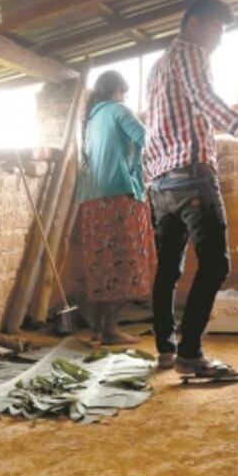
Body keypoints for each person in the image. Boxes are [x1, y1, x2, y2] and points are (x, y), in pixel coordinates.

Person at [144, 0, 238, 378]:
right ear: (193, 25)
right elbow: (204, 97)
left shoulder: (158, 66)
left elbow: (154, 123)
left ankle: (166, 349)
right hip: (191, 175)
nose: (218, 38)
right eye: (215, 29)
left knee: (168, 269)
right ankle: (190, 353)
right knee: (216, 264)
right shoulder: (190, 53)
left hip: (161, 183)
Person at [76, 71, 157, 345]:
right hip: (118, 198)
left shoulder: (91, 118)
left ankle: (98, 331)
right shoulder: (119, 110)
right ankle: (110, 330)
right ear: (117, 91)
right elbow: (149, 141)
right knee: (124, 264)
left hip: (92, 203)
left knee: (103, 266)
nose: (124, 98)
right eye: (124, 93)